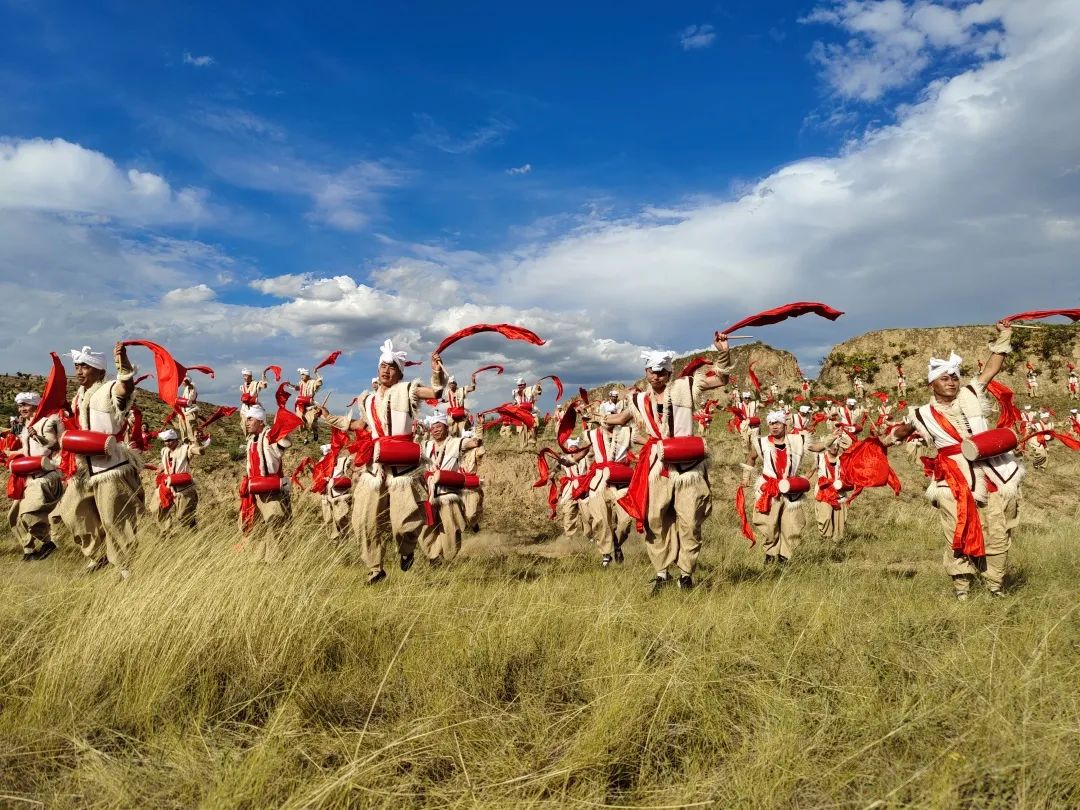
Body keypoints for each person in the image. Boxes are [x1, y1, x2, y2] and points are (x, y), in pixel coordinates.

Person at [885, 323, 1022, 600]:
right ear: (931, 383)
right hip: (952, 478)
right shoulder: (921, 414)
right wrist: (887, 438)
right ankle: (962, 588)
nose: (951, 381)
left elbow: (992, 368)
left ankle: (994, 585)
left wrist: (1004, 336)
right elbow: (903, 431)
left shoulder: (972, 393)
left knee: (997, 530)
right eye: (944, 378)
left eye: (954, 377)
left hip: (994, 472)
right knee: (957, 531)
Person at [604, 333, 733, 592]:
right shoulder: (638, 400)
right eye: (653, 371)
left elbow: (720, 379)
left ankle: (685, 573)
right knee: (654, 521)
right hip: (657, 469)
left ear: (669, 371)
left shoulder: (686, 386)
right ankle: (662, 573)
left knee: (689, 523)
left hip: (688, 469)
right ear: (646, 371)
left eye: (662, 371)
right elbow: (620, 419)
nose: (657, 376)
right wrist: (602, 418)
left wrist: (723, 352)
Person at [316, 339, 447, 585]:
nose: (386, 370)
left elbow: (435, 393)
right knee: (362, 520)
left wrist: (436, 373)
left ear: (399, 371)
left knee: (403, 523)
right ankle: (375, 567)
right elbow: (359, 425)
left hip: (403, 468)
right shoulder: (367, 399)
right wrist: (329, 418)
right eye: (383, 366)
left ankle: (407, 549)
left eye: (392, 367)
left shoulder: (407, 389)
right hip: (374, 469)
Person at [56, 344, 144, 578]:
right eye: (77, 366)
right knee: (70, 509)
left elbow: (125, 388)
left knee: (115, 520)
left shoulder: (108, 389)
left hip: (112, 468)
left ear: (98, 370)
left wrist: (123, 364)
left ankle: (126, 570)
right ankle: (98, 554)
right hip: (86, 469)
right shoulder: (79, 396)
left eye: (84, 366)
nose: (79, 370)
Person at [742, 411, 842, 564]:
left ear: (785, 425)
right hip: (770, 489)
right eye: (771, 423)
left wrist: (832, 437)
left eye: (777, 423)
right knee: (769, 526)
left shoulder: (798, 440)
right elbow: (751, 457)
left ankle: (784, 559)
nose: (774, 426)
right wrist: (746, 476)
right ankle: (770, 554)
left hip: (791, 490)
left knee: (792, 527)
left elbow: (817, 447)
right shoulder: (761, 442)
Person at [4, 391, 64, 560]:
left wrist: (38, 437)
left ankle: (48, 544)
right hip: (28, 477)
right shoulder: (25, 428)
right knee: (14, 517)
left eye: (25, 405)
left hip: (45, 476)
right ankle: (29, 552)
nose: (21, 408)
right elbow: (27, 450)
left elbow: (54, 445)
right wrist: (11, 452)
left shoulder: (46, 422)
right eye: (20, 405)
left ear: (36, 405)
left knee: (28, 515)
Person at [419, 412, 483, 565]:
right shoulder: (426, 445)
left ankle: (445, 557)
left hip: (448, 493)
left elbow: (474, 443)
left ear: (446, 428)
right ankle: (433, 555)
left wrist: (479, 427)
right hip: (429, 494)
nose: (435, 430)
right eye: (433, 427)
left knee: (450, 529)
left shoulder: (456, 442)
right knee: (425, 528)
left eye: (439, 426)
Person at [579, 407, 635, 567]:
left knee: (626, 520)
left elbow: (649, 443)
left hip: (623, 483)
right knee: (601, 520)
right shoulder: (592, 435)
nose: (610, 419)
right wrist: (567, 459)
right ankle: (606, 554)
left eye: (613, 416)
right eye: (607, 416)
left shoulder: (627, 433)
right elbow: (579, 453)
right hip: (599, 484)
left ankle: (617, 543)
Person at [238, 404, 293, 562]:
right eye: (246, 419)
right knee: (257, 530)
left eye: (250, 419)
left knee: (276, 529)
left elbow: (286, 443)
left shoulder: (270, 436)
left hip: (272, 493)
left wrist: (281, 428)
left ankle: (275, 563)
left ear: (261, 421)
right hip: (255, 493)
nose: (247, 422)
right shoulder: (251, 441)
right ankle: (258, 562)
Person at [154, 428, 201, 532]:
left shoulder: (184, 449)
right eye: (166, 441)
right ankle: (166, 533)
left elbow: (196, 450)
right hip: (168, 488)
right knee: (159, 510)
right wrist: (161, 468)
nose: (168, 443)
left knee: (183, 517)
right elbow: (166, 463)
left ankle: (193, 529)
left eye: (170, 440)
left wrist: (196, 441)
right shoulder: (164, 451)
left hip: (183, 489)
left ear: (176, 440)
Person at [813, 431, 854, 542]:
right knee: (825, 518)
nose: (834, 447)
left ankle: (835, 546)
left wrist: (843, 438)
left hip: (840, 495)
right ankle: (825, 541)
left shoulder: (843, 458)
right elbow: (810, 471)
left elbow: (852, 448)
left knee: (839, 523)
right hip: (824, 494)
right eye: (832, 444)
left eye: (837, 444)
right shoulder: (819, 458)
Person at [317, 441, 354, 545]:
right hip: (326, 497)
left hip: (340, 497)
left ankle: (345, 544)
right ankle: (334, 544)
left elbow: (350, 474)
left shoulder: (343, 461)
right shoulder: (321, 462)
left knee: (342, 520)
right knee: (329, 521)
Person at [459, 428, 485, 531]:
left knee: (471, 514)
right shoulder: (457, 452)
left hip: (472, 487)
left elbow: (480, 444)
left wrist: (480, 427)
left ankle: (474, 524)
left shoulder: (476, 451)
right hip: (459, 487)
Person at [293, 368, 323, 444]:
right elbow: (298, 388)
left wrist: (317, 373)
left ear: (307, 375)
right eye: (301, 375)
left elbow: (319, 383)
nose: (301, 376)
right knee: (300, 422)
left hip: (310, 405)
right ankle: (305, 438)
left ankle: (315, 433)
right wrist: (292, 385)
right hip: (300, 405)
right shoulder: (300, 382)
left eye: (303, 374)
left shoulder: (312, 382)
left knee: (312, 421)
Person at [512, 378, 542, 450]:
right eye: (519, 385)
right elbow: (514, 402)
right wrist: (514, 404)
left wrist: (538, 386)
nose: (520, 386)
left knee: (532, 429)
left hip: (531, 413)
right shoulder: (514, 392)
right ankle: (523, 447)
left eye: (522, 385)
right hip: (521, 414)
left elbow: (538, 392)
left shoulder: (530, 389)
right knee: (521, 430)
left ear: (525, 384)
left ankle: (532, 446)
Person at [176, 376, 199, 443]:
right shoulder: (185, 388)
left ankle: (193, 442)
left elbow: (191, 395)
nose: (182, 383)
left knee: (191, 428)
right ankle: (185, 441)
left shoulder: (192, 385)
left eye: (183, 381)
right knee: (182, 426)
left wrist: (188, 382)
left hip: (190, 410)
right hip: (183, 410)